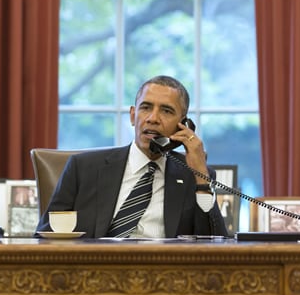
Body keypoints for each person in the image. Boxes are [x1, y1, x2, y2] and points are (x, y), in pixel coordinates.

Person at [36, 75, 228, 238]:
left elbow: (215, 243)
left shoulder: (192, 176)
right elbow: (44, 237)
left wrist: (201, 177)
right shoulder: (83, 168)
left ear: (183, 124)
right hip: (93, 274)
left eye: (166, 111)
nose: (152, 118)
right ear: (132, 115)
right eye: (146, 108)